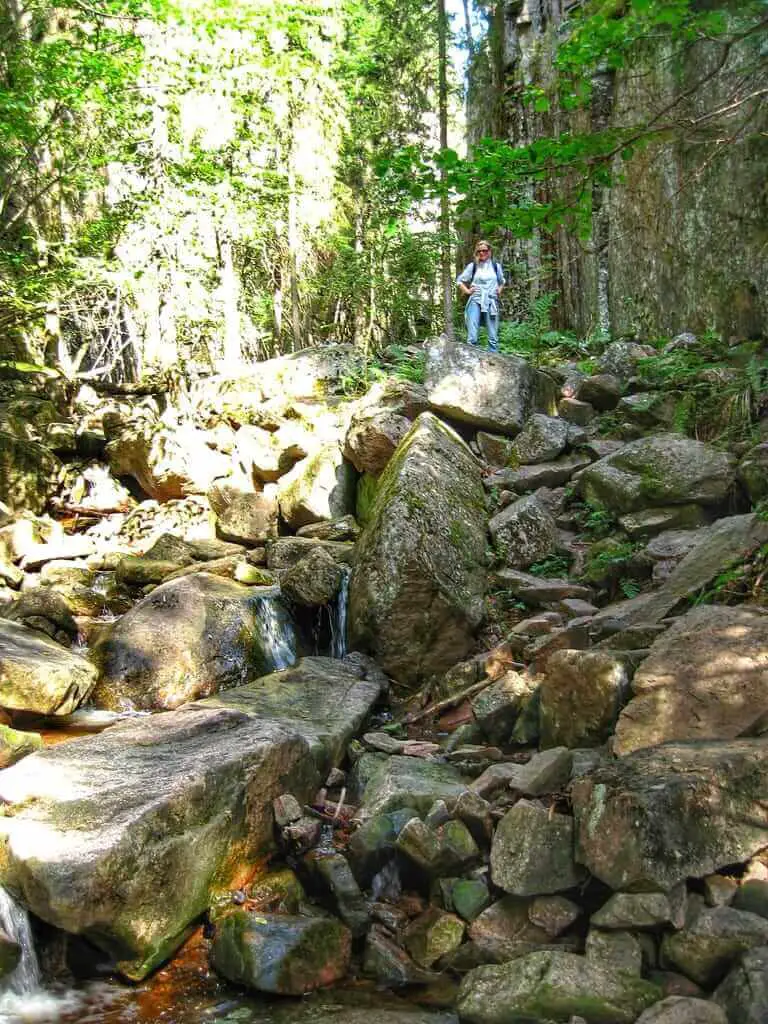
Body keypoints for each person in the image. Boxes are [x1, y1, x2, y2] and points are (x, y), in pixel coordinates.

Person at [456, 240, 505, 352]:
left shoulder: (495, 266)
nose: (482, 253)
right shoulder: (473, 266)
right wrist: (468, 291)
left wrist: (499, 290)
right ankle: (472, 361)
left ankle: (494, 362)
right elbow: (459, 281)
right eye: (479, 251)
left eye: (484, 250)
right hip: (475, 300)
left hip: (491, 302)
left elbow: (502, 281)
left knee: (493, 336)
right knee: (472, 336)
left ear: (489, 251)